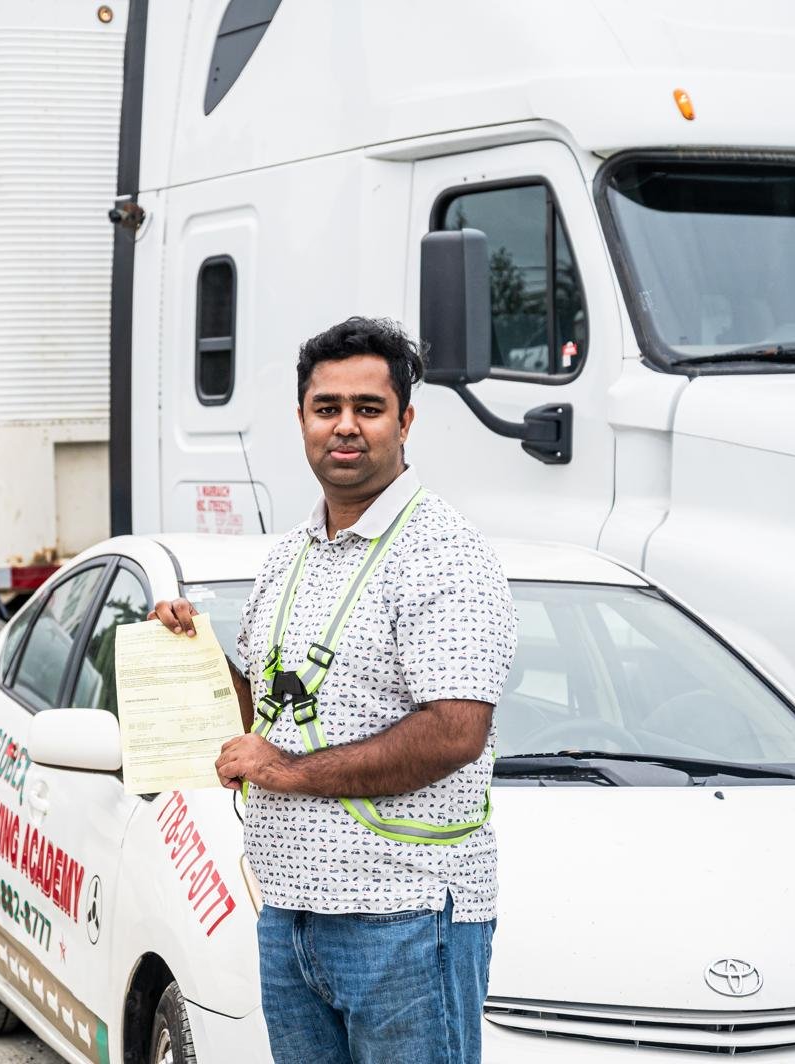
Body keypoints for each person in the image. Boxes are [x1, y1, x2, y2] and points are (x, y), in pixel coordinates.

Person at [151, 317, 515, 1064]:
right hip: (289, 912)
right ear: (302, 420)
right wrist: (190, 657)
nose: (345, 426)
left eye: (368, 408)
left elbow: (454, 731)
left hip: (405, 917)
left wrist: (287, 772)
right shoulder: (289, 555)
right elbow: (262, 719)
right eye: (327, 408)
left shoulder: (445, 553)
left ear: (405, 422)